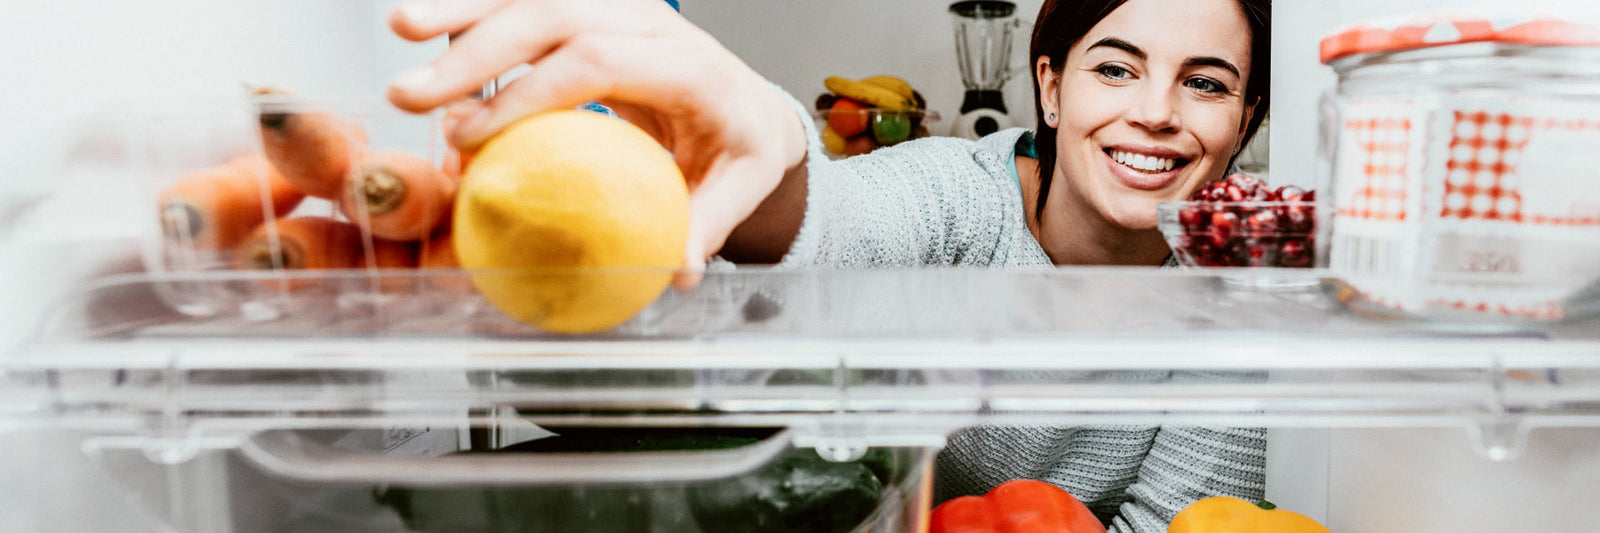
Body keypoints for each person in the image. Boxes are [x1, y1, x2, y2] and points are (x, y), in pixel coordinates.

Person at [386, 0, 1270, 530]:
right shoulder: (958, 193)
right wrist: (773, 158)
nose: (1156, 112)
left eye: (1206, 82)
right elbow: (839, 224)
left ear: (1246, 115)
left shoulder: (1234, 295)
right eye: (1116, 69)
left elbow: (1185, 525)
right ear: (1050, 84)